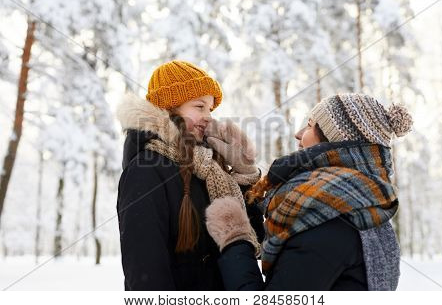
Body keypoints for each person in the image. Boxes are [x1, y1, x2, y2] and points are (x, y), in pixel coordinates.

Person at [205, 93, 413, 290]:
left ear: (334, 142)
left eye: (310, 125)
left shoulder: (328, 222)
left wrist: (234, 240)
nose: (298, 133)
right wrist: (246, 177)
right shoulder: (361, 206)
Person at [116, 60, 263, 290]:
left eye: (210, 109)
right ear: (171, 107)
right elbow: (145, 272)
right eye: (199, 106)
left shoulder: (208, 167)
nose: (208, 117)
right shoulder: (146, 170)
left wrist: (245, 176)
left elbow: (253, 239)